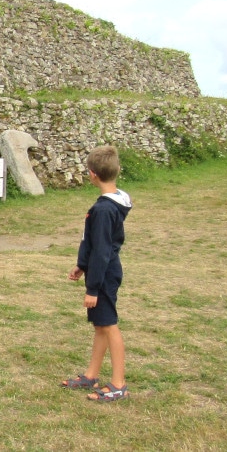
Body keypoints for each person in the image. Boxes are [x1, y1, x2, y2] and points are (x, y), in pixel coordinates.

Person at [61, 145, 133, 402]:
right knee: (100, 326)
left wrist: (93, 288)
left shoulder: (103, 209)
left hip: (104, 272)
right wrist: (82, 264)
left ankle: (118, 384)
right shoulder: (114, 201)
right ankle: (92, 374)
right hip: (102, 270)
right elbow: (94, 243)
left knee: (109, 325)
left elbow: (102, 251)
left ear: (92, 174)